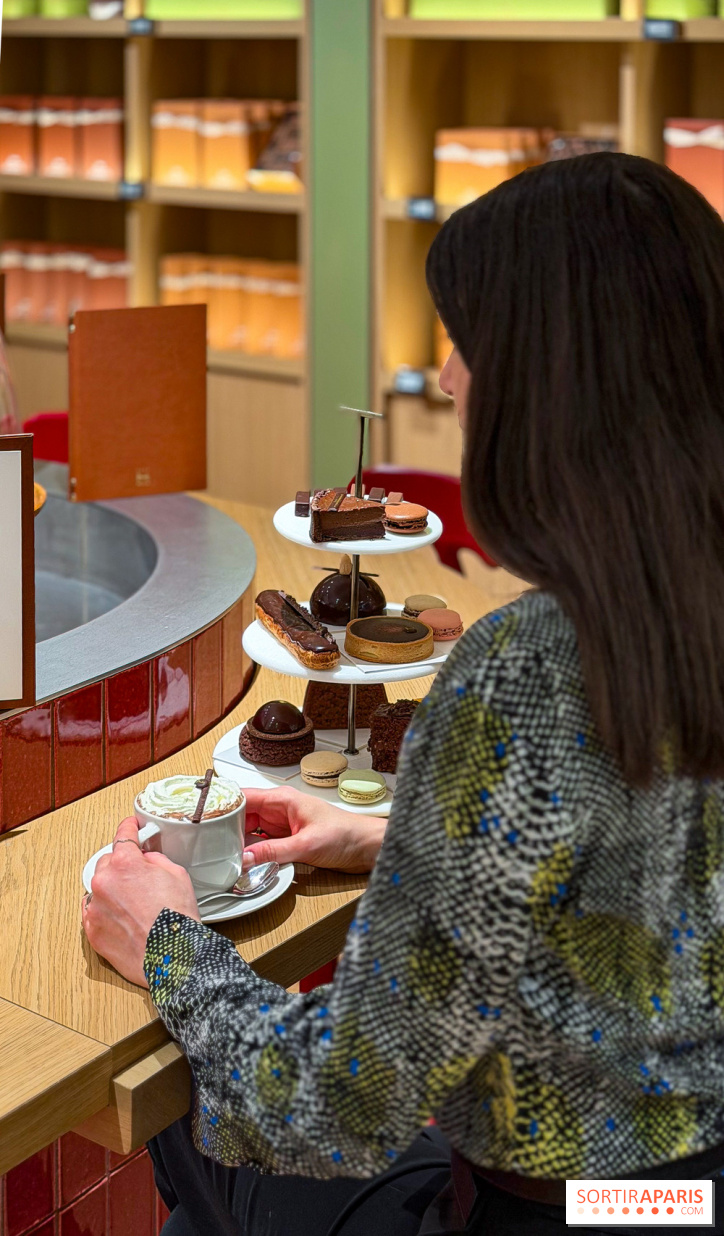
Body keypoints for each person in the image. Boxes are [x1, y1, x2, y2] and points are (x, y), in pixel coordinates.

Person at [83, 152, 724, 1234]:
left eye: (464, 348)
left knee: (191, 1137)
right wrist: (415, 847)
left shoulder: (527, 670)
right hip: (674, 1203)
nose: (447, 381)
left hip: (555, 1212)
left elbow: (334, 1108)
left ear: (542, 384)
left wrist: (168, 941)